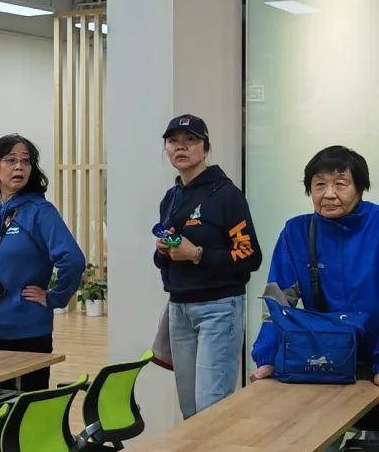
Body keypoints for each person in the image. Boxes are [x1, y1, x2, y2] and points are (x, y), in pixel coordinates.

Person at [153, 114, 262, 419]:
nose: (181, 147)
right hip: (179, 309)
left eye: (190, 140)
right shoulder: (172, 197)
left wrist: (198, 254)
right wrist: (164, 251)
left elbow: (250, 256)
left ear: (205, 148)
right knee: (190, 411)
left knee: (211, 411)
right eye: (173, 141)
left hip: (218, 309)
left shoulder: (226, 195)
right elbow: (168, 259)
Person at [251, 146, 379, 386]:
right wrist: (268, 356)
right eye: (319, 185)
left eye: (340, 184)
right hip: (326, 358)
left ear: (360, 188)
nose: (329, 194)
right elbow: (278, 301)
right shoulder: (296, 232)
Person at [0, 134, 85, 392]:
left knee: (26, 407)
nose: (19, 167)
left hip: (26, 332)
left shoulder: (40, 212)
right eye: (11, 160)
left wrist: (54, 297)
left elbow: (73, 261)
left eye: (26, 161)